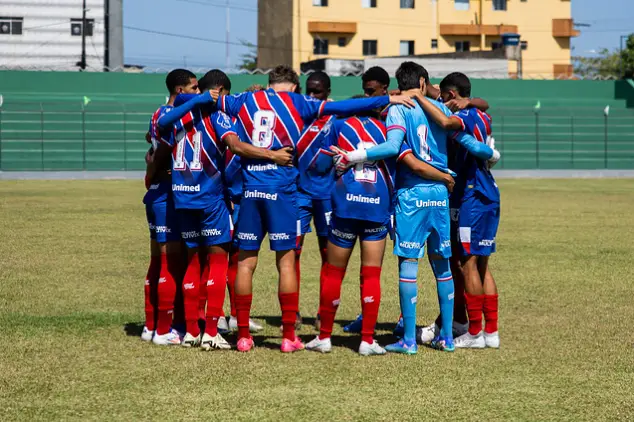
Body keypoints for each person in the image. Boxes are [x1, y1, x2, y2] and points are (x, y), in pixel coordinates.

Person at [201, 65, 416, 352]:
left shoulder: (244, 101)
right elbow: (344, 106)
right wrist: (385, 100)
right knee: (287, 262)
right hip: (284, 190)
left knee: (245, 263)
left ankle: (242, 335)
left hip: (252, 190)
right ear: (292, 85)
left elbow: (207, 99)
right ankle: (289, 335)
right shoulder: (299, 102)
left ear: (270, 83)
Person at [332, 62, 500, 354]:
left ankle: (409, 340)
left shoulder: (399, 109)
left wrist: (354, 155)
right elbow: (472, 143)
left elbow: (393, 146)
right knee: (443, 268)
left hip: (411, 196)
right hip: (440, 196)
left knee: (408, 267)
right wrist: (492, 153)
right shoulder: (440, 110)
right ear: (423, 81)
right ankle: (447, 337)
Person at [150, 69, 293, 350]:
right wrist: (273, 154)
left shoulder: (181, 117)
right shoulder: (218, 115)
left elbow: (158, 132)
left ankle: (192, 330)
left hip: (183, 198)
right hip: (212, 199)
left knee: (193, 262)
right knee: (219, 263)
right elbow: (235, 146)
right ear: (221, 92)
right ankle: (212, 332)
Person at [413, 72, 501, 348]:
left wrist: (416, 96)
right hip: (488, 193)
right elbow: (482, 103)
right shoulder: (480, 113)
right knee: (482, 264)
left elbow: (445, 121)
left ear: (451, 96)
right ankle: (490, 333)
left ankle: (473, 333)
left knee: (467, 264)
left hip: (472, 196)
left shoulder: (463, 116)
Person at [305, 102, 395, 356]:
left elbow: (321, 163)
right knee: (371, 275)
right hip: (376, 206)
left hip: (345, 205)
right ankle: (367, 340)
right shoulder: (388, 128)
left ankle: (324, 337)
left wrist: (336, 163)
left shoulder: (340, 125)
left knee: (333, 272)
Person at [142, 69, 198, 346]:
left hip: (156, 194)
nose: (197, 93)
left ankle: (151, 324)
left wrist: (150, 161)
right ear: (180, 91)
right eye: (194, 88)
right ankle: (164, 330)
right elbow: (162, 149)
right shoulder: (174, 115)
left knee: (158, 262)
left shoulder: (157, 112)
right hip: (166, 194)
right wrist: (155, 168)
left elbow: (148, 139)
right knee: (170, 263)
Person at [224, 83, 265, 334]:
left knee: (239, 259)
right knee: (234, 258)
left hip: (245, 197)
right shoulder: (236, 130)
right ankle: (226, 315)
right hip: (235, 198)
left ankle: (235, 315)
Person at [296, 71, 336, 331]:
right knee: (292, 253)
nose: (311, 96)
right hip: (298, 194)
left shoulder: (337, 116)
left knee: (329, 254)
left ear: (327, 93)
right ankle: (293, 313)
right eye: (308, 91)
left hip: (327, 195)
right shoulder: (295, 116)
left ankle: (325, 312)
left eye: (317, 92)